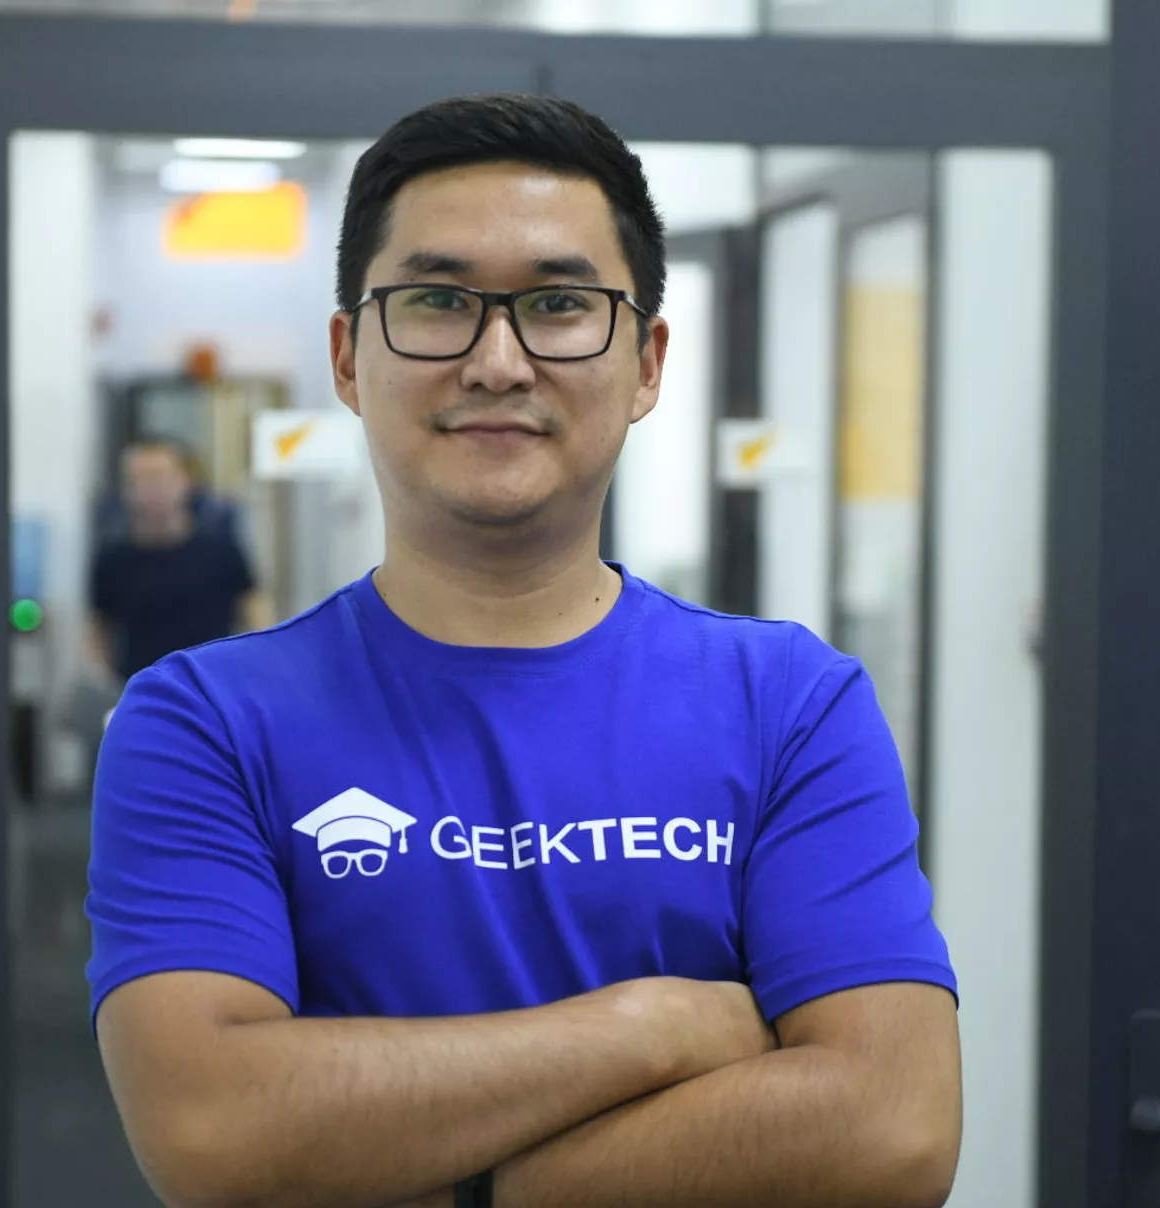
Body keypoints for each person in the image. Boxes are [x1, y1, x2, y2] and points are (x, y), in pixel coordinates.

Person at [87, 94, 962, 1208]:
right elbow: (214, 1128)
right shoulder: (206, 722)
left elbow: (892, 1128)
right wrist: (655, 1026)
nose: (497, 361)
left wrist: (454, 1185)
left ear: (646, 362)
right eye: (438, 301)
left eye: (558, 304)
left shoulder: (790, 704)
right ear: (349, 357)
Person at [85, 436, 269, 686]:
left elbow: (255, 615)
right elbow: (98, 633)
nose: (151, 489)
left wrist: (255, 672)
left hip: (214, 688)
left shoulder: (221, 551)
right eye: (139, 480)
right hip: (143, 692)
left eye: (160, 477)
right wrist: (106, 687)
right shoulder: (112, 562)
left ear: (186, 482)